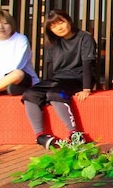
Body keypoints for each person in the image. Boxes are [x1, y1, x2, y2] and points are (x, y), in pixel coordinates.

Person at [21, 10, 98, 148]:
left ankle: (74, 134)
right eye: (54, 26)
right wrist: (45, 87)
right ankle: (40, 136)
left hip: (77, 78)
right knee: (30, 94)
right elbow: (50, 68)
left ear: (69, 20)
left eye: (61, 22)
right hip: (58, 79)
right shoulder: (52, 42)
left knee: (56, 93)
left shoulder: (84, 37)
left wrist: (87, 88)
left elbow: (88, 63)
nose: (59, 28)